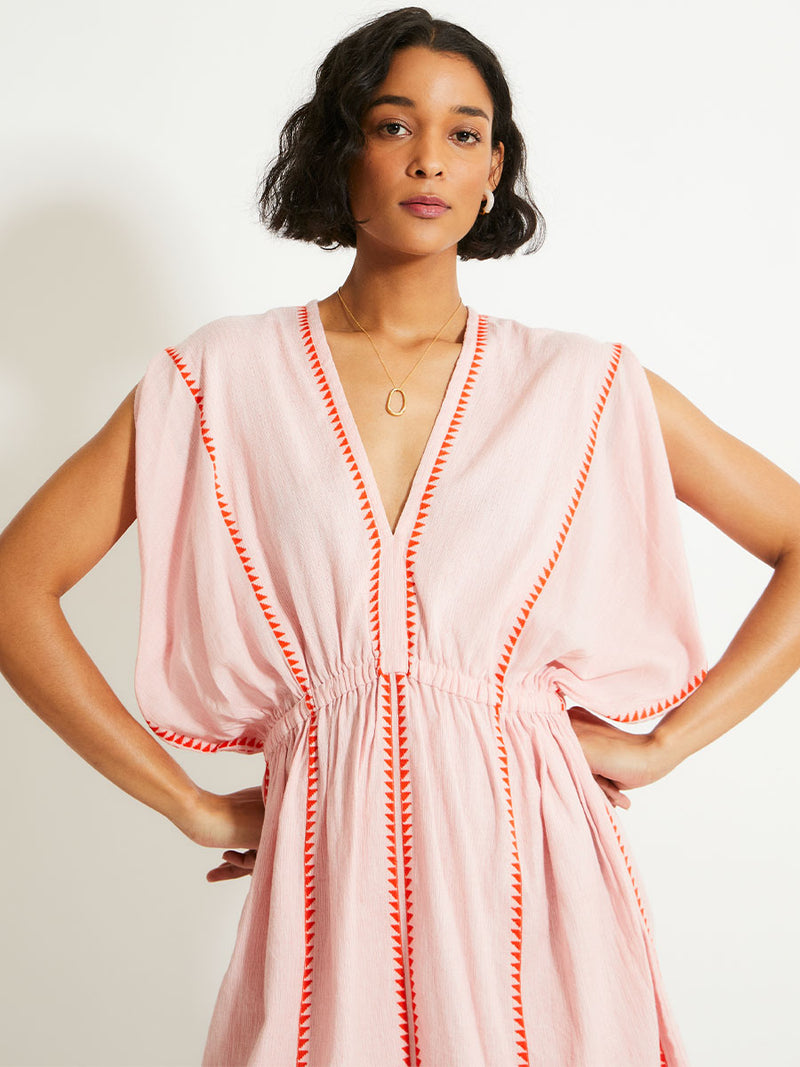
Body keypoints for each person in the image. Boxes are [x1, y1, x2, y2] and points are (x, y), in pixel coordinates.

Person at [1, 6, 798, 1066]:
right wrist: (187, 803)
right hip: (323, 884)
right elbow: (17, 586)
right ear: (340, 148)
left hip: (539, 883)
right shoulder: (218, 379)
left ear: (493, 168)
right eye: (391, 125)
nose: (429, 157)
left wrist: (664, 743)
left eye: (464, 132)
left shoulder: (580, 383)